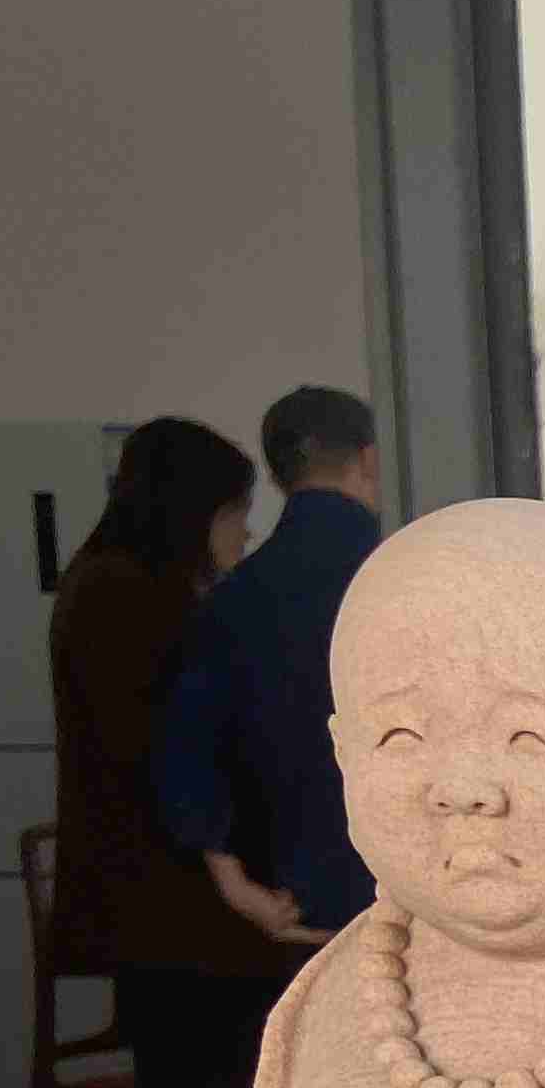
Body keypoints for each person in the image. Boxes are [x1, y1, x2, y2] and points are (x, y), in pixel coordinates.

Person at [45, 414, 281, 1088]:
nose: (243, 535)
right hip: (168, 908)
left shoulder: (112, 583)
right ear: (194, 511)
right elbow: (172, 756)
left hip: (157, 904)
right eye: (234, 514)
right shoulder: (131, 597)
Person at [152, 384, 386, 958]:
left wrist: (236, 886)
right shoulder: (407, 575)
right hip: (414, 891)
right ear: (368, 460)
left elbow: (187, 752)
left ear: (280, 476)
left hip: (293, 901)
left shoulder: (230, 598)